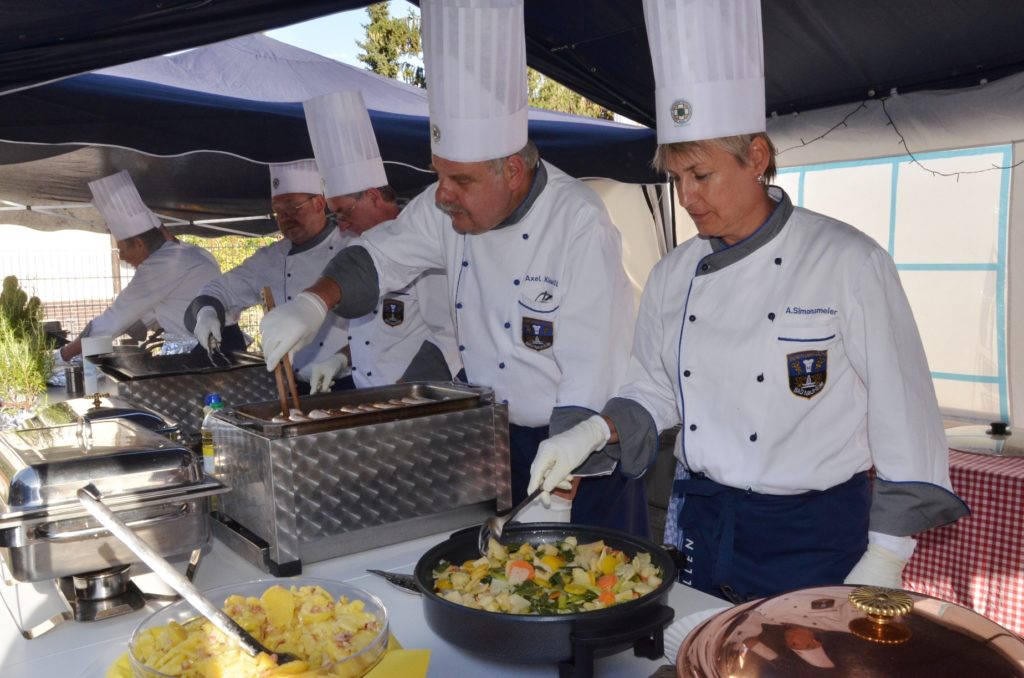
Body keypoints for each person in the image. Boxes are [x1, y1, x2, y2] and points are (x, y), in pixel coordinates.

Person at [528, 0, 967, 601]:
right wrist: (590, 433)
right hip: (701, 519)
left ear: (755, 157)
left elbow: (905, 414)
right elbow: (655, 389)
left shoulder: (847, 261)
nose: (686, 197)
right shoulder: (672, 274)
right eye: (675, 178)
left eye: (700, 175)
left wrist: (888, 554)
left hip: (811, 531)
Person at [260, 0, 648, 534]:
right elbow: (382, 254)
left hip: (579, 444)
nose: (442, 196)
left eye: (460, 181)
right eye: (438, 174)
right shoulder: (442, 210)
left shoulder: (578, 223)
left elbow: (592, 371)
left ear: (512, 171)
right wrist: (314, 301)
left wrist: (566, 479)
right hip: (496, 433)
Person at [303, 90, 460, 386]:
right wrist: (341, 359)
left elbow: (451, 334)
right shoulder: (357, 252)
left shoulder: (425, 249)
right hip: (370, 400)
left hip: (416, 401)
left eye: (343, 213)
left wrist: (412, 387)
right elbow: (370, 339)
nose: (343, 225)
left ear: (373, 197)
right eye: (335, 217)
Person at [184, 160, 352, 393]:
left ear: (319, 203)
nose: (285, 218)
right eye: (278, 212)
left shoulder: (352, 248)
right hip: (290, 387)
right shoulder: (269, 258)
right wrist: (207, 311)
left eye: (293, 208)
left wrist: (340, 360)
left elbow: (378, 330)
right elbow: (219, 290)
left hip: (346, 383)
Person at [53, 170, 223, 362]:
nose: (122, 257)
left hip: (202, 356)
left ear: (140, 244)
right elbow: (146, 317)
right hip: (222, 349)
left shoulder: (159, 266)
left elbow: (112, 323)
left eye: (122, 249)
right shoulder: (192, 253)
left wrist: (62, 356)